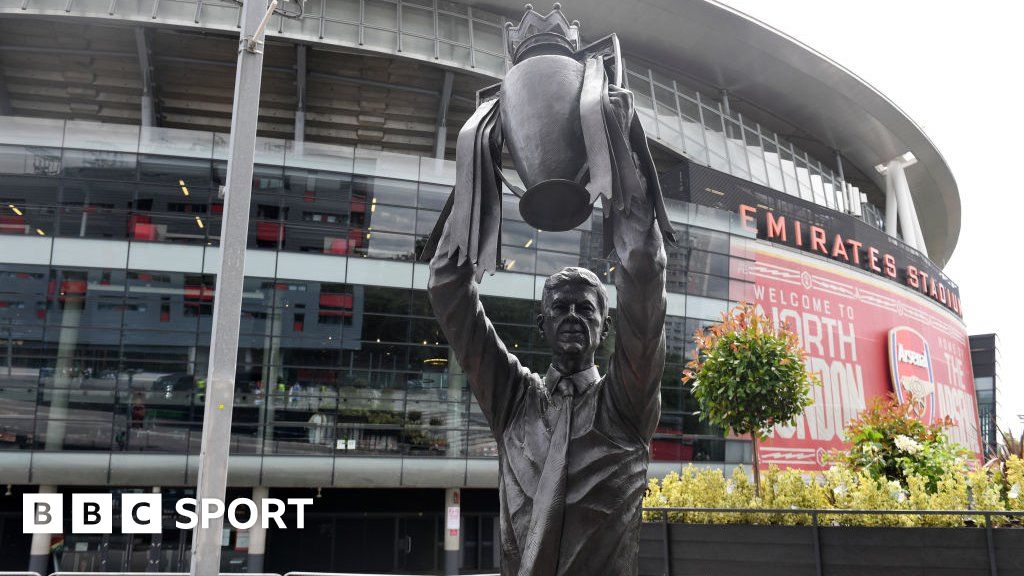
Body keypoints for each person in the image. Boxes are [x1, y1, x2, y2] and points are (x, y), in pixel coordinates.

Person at [427, 188, 667, 575]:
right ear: (543, 325)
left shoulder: (625, 406)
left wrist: (620, 167)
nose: (572, 315)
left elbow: (645, 277)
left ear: (605, 328)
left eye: (585, 309)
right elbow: (447, 286)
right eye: (560, 307)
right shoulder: (512, 399)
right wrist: (477, 177)